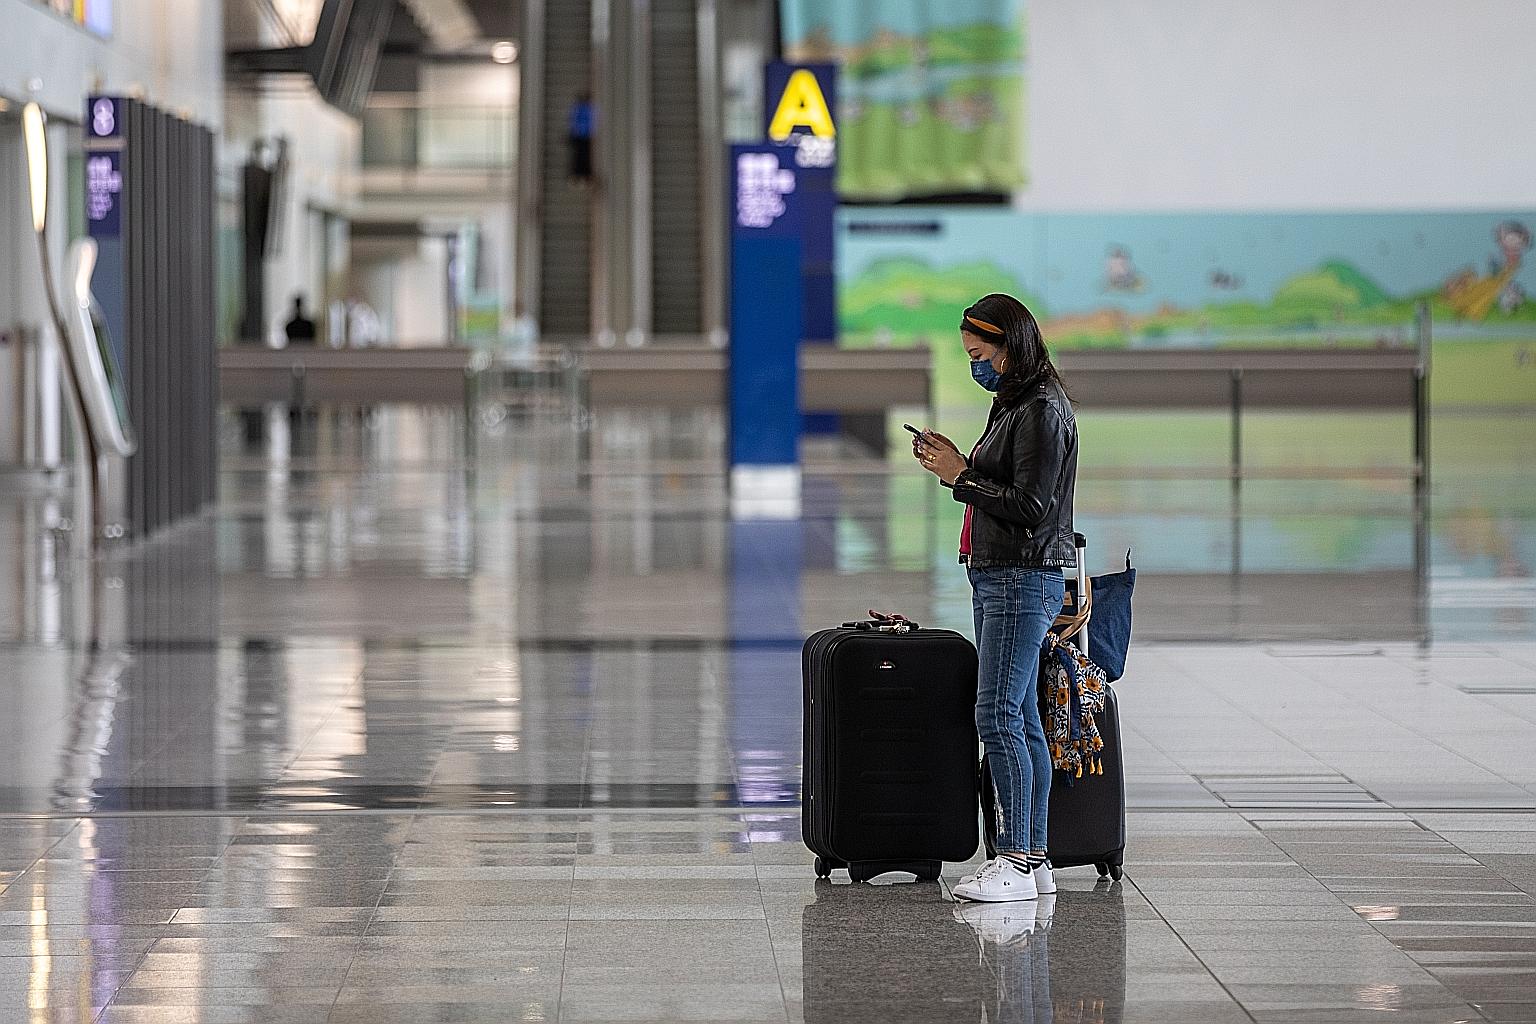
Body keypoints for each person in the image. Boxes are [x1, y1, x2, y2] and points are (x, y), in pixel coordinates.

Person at [912, 293, 1079, 904]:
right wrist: (958, 465)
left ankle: (1012, 859)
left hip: (1018, 576)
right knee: (1023, 716)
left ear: (1012, 347)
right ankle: (1034, 860)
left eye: (981, 355)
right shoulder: (1016, 404)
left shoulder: (1037, 408)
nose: (976, 367)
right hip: (1007, 574)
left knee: (998, 714)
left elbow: (1031, 508)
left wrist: (959, 475)